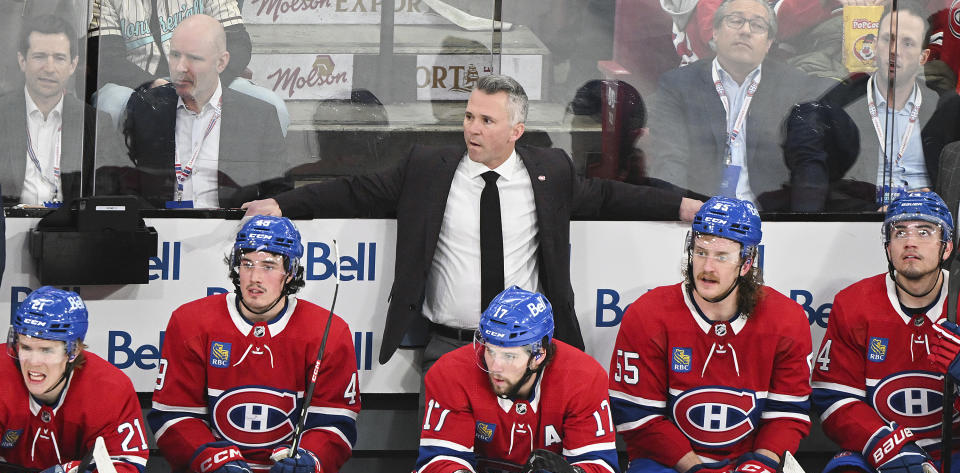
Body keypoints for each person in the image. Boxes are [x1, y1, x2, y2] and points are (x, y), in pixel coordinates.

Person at [243, 74, 702, 374]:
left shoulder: (551, 170)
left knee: (521, 472)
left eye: (486, 120)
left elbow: (610, 196)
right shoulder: (427, 167)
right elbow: (355, 191)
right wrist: (284, 205)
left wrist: (683, 208)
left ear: (516, 131)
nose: (472, 129)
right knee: (440, 471)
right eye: (468, 116)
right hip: (449, 350)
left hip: (528, 353)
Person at [609, 196, 814, 473]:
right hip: (667, 461)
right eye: (701, 252)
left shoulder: (786, 319)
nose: (706, 267)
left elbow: (787, 414)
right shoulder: (647, 315)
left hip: (754, 458)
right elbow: (639, 418)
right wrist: (694, 469)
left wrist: (762, 464)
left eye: (722, 256)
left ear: (746, 263)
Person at [148, 216, 359, 473]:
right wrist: (213, 460)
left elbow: (334, 423)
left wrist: (309, 463)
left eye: (269, 266)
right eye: (247, 264)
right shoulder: (191, 323)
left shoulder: (328, 332)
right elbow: (173, 416)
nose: (254, 277)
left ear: (291, 271)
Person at [409, 286, 618, 473]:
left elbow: (600, 471)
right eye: (490, 349)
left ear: (539, 355)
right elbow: (438, 460)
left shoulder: (584, 377)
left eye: (509, 356)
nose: (494, 366)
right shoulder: (450, 372)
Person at [813, 191, 957, 473]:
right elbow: (832, 397)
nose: (910, 242)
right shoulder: (854, 303)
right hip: (876, 447)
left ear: (946, 247)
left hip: (955, 449)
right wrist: (884, 442)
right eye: (899, 231)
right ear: (887, 246)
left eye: (924, 231)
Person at [647, 0, 826, 207]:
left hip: (771, 218)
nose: (745, 31)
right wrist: (677, 210)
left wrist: (804, 223)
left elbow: (808, 162)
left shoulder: (796, 87)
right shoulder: (678, 85)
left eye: (758, 25)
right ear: (715, 32)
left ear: (768, 43)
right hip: (699, 213)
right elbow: (669, 159)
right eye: (735, 21)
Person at [0, 287, 146, 473]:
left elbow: (127, 466)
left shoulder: (110, 388)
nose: (33, 362)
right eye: (26, 347)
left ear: (73, 351)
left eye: (46, 350)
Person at [117, 14, 288, 209]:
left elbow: (279, 192)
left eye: (194, 58)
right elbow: (124, 187)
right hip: (160, 232)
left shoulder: (258, 116)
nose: (180, 67)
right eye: (175, 55)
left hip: (232, 232)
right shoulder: (146, 108)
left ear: (221, 62)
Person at [809, 1, 960, 206]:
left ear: (923, 57)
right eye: (888, 39)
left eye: (908, 43)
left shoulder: (946, 109)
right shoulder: (839, 105)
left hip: (926, 227)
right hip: (855, 223)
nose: (894, 51)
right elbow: (821, 186)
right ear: (874, 44)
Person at [87, 0, 289, 133]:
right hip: (137, 84)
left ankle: (254, 192)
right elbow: (105, 57)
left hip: (206, 80)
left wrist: (205, 82)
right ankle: (118, 192)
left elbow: (237, 43)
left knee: (274, 107)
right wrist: (153, 85)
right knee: (111, 106)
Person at [0, 15, 125, 206]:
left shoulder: (95, 123)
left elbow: (115, 192)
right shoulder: (2, 114)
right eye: (39, 56)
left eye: (59, 58)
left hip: (67, 232)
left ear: (73, 65)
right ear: (22, 61)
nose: (49, 68)